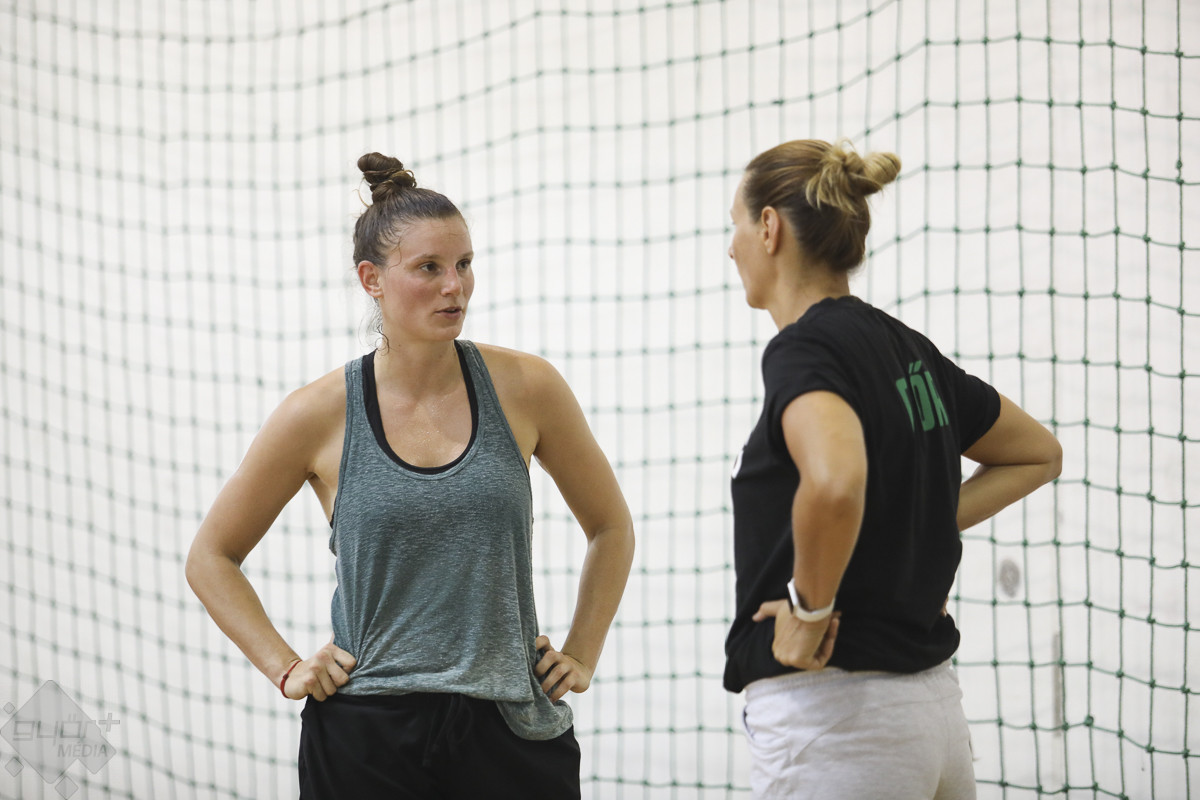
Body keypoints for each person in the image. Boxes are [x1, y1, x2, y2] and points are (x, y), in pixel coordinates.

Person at [186, 153, 635, 799]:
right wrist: (285, 667)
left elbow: (611, 526)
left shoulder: (529, 388)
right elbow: (211, 557)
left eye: (464, 264)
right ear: (371, 278)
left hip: (510, 730)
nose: (455, 286)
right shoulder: (316, 413)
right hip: (366, 736)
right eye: (429, 268)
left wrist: (583, 652)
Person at [723, 139, 1062, 799]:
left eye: (734, 225)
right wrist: (919, 520)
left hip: (837, 719)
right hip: (934, 714)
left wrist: (809, 613)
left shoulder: (804, 349)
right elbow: (1038, 453)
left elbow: (836, 483)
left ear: (768, 228)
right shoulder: (909, 350)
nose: (730, 248)